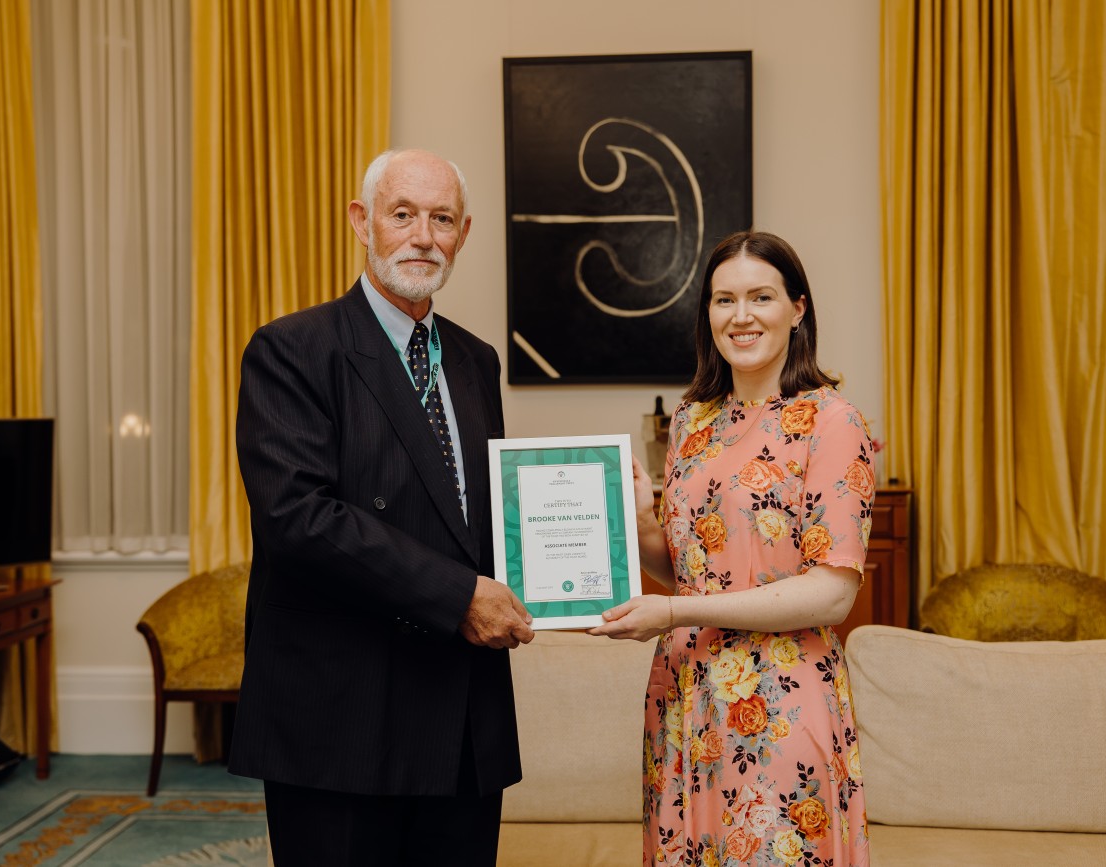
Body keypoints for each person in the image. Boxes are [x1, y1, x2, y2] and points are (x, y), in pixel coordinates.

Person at [229, 148, 535, 866]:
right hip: (342, 715)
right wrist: (461, 594)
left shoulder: (474, 359)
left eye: (442, 218)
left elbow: (474, 509)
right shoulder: (292, 350)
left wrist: (601, 534)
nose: (423, 236)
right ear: (363, 222)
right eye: (403, 215)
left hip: (460, 715)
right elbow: (299, 519)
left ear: (464, 233)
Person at [590, 231, 874, 866]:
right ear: (708, 314)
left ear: (797, 308)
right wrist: (641, 525)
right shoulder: (693, 421)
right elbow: (692, 572)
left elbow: (832, 593)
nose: (740, 316)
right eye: (724, 300)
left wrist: (672, 615)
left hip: (778, 701)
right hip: (686, 697)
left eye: (760, 297)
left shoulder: (832, 422)